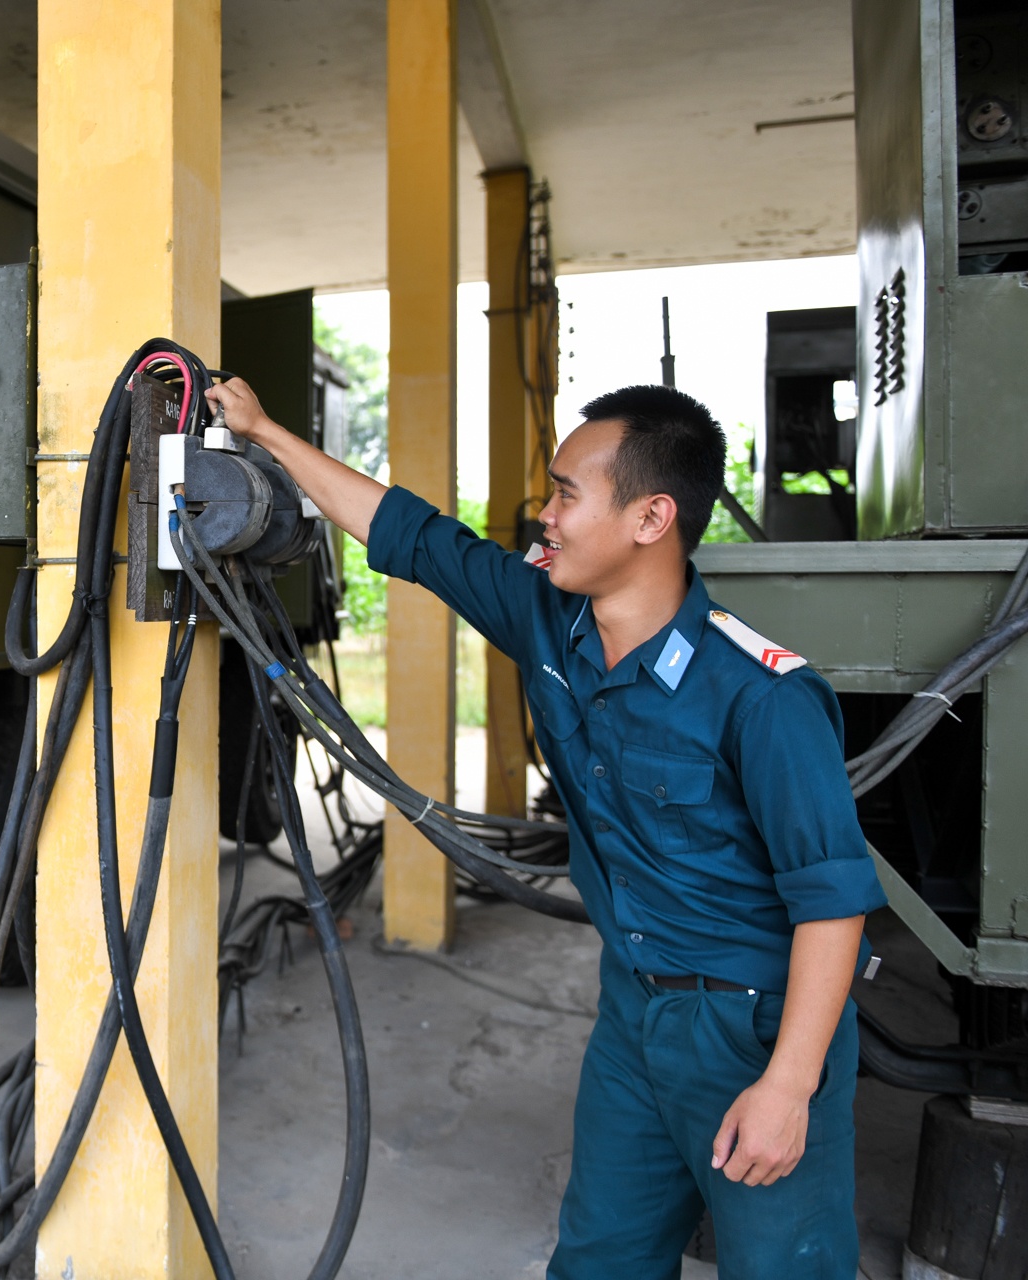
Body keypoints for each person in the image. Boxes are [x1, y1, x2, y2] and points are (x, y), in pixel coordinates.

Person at [203, 378, 885, 1279]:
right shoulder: (549, 618)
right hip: (635, 1010)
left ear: (651, 517)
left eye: (567, 494)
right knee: (601, 1256)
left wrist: (789, 1086)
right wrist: (261, 430)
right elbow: (411, 534)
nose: (545, 517)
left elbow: (833, 902)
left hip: (754, 1026)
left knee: (783, 1267)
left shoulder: (761, 697)